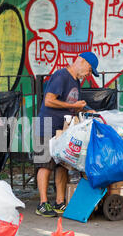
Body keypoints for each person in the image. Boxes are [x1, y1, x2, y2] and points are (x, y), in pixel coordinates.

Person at [33, 52, 99, 217]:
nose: (89, 75)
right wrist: (74, 105)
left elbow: (72, 104)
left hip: (63, 129)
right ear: (81, 61)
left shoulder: (75, 81)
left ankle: (60, 202)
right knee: (45, 165)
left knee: (62, 164)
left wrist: (85, 108)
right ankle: (42, 203)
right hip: (46, 126)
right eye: (90, 70)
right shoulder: (61, 76)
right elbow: (48, 101)